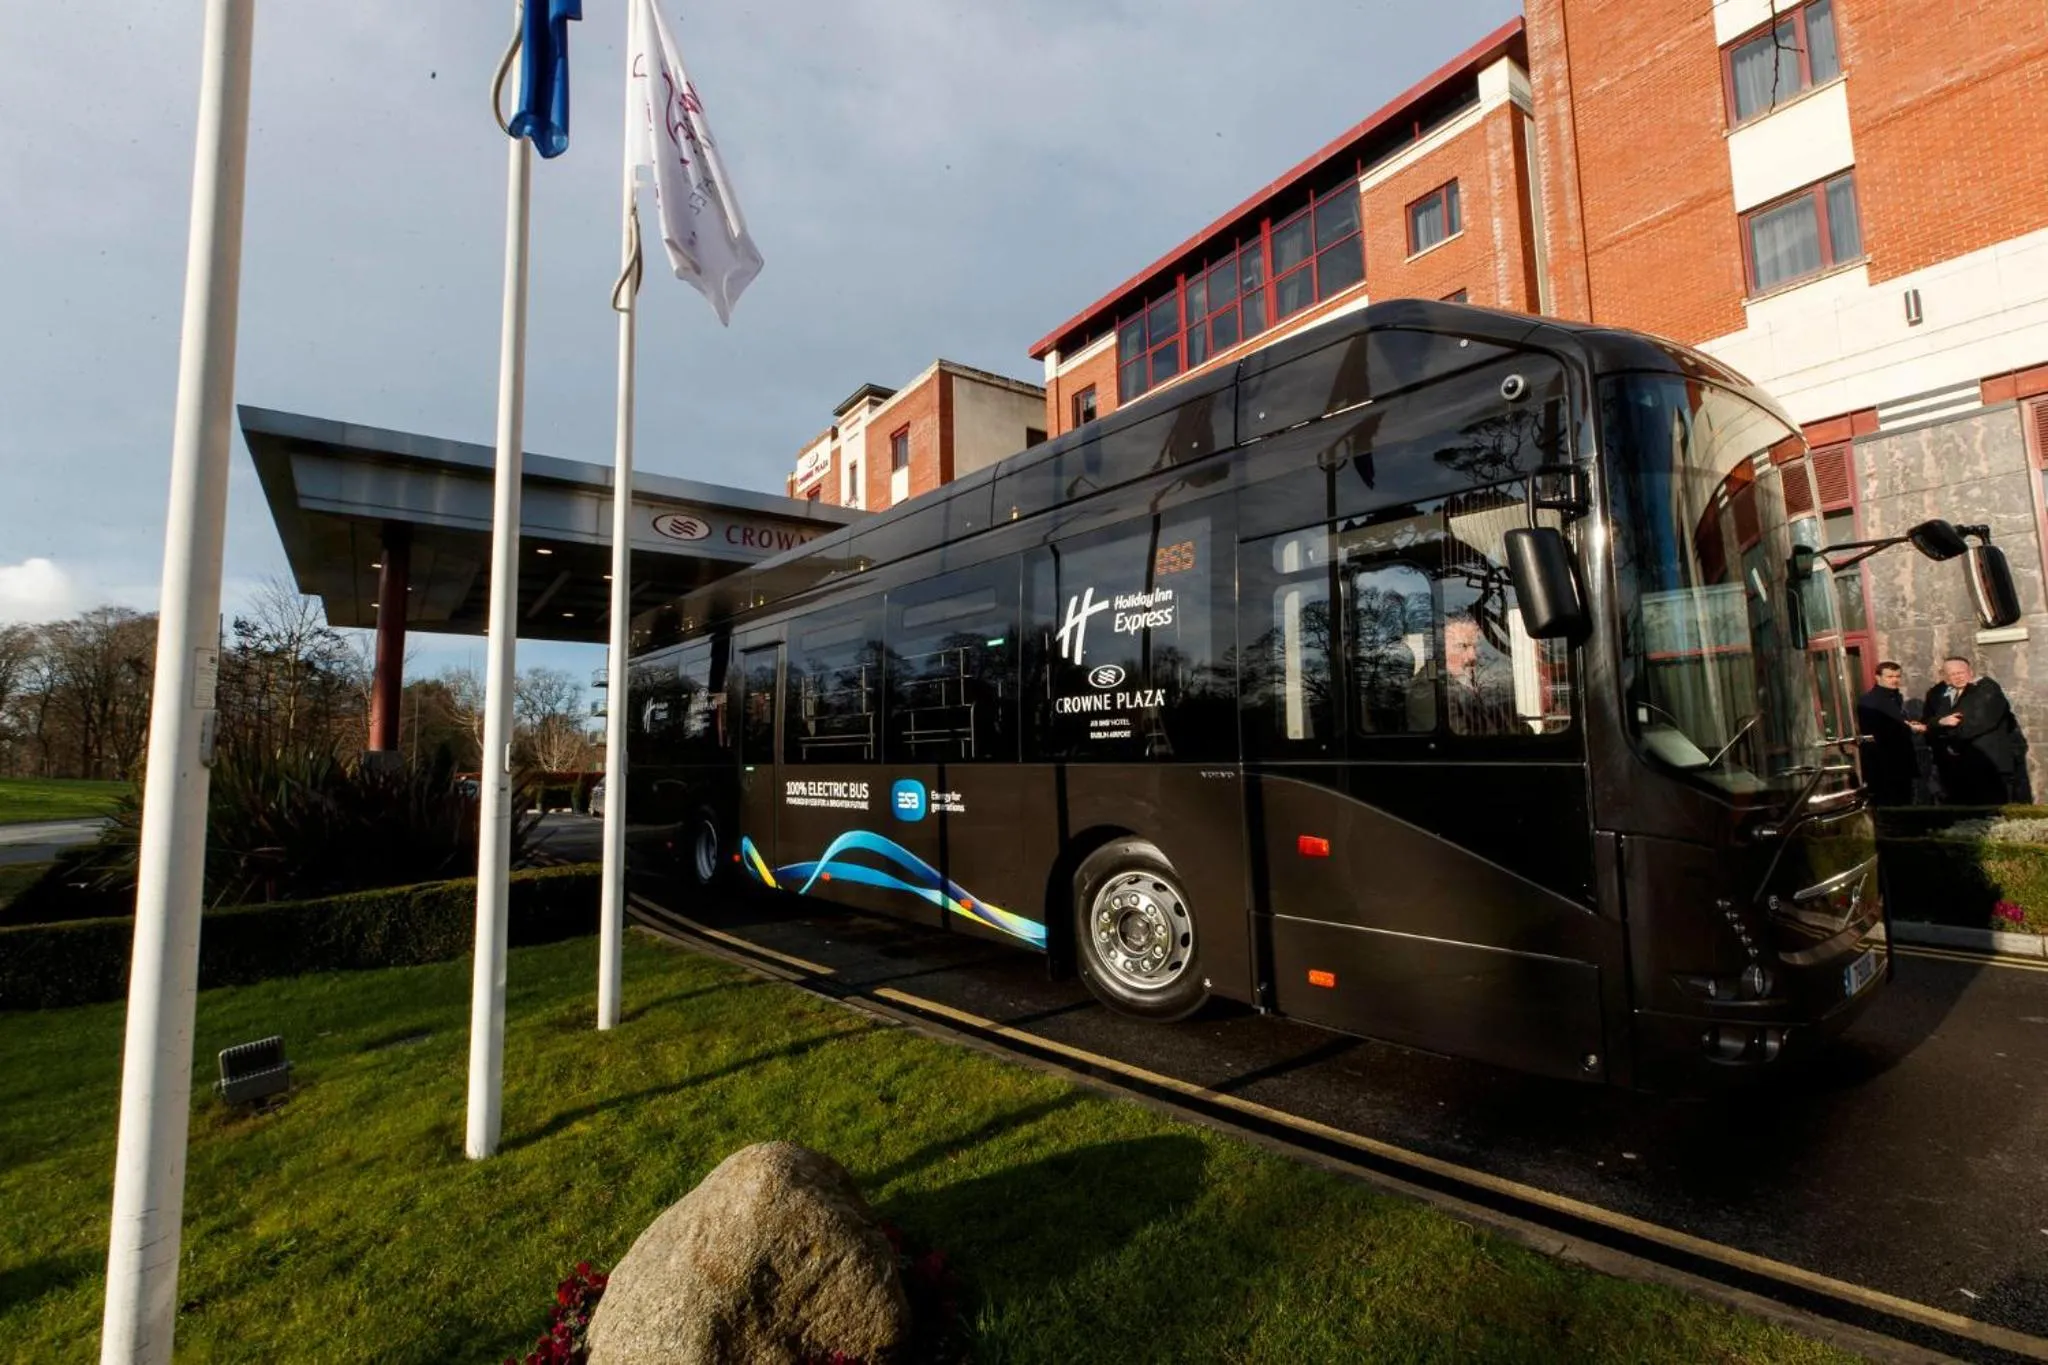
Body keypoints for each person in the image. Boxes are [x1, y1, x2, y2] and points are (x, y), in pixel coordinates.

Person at [1922, 655, 2019, 805]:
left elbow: (1982, 721)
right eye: (1952, 674)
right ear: (1945, 676)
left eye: (1961, 672)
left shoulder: (1986, 688)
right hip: (1953, 767)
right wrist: (1941, 722)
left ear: (1970, 671)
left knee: (1992, 811)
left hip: (1987, 763)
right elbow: (1928, 722)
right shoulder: (1938, 693)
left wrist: (1950, 735)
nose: (1958, 677)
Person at [1856, 660, 1921, 806]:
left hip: (1901, 758)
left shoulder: (1895, 696)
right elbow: (1875, 730)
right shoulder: (1869, 700)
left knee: (1905, 799)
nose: (1895, 680)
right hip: (1884, 761)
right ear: (1878, 677)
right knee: (1890, 802)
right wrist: (1908, 728)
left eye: (1897, 676)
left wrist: (1907, 725)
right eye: (1890, 676)